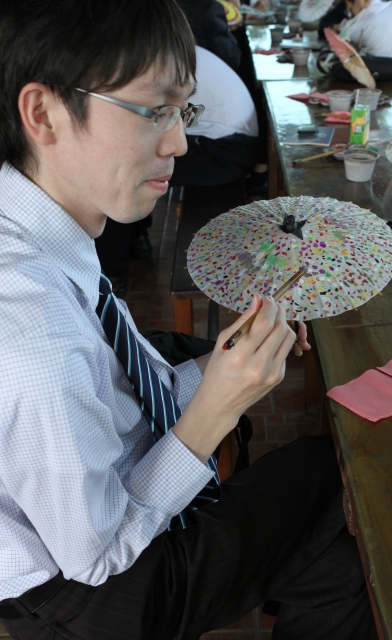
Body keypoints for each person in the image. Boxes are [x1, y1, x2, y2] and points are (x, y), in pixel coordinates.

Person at [0, 1, 373, 639]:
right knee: (335, 477)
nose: (177, 142)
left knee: (334, 548)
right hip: (82, 595)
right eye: (155, 111)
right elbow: (96, 556)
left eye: (183, 111)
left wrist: (223, 368)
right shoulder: (36, 337)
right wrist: (213, 412)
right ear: (44, 113)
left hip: (94, 504)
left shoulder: (38, 221)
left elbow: (123, 388)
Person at [170, 46, 259, 187]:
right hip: (238, 148)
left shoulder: (164, 59)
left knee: (140, 165)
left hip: (223, 154)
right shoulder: (183, 49)